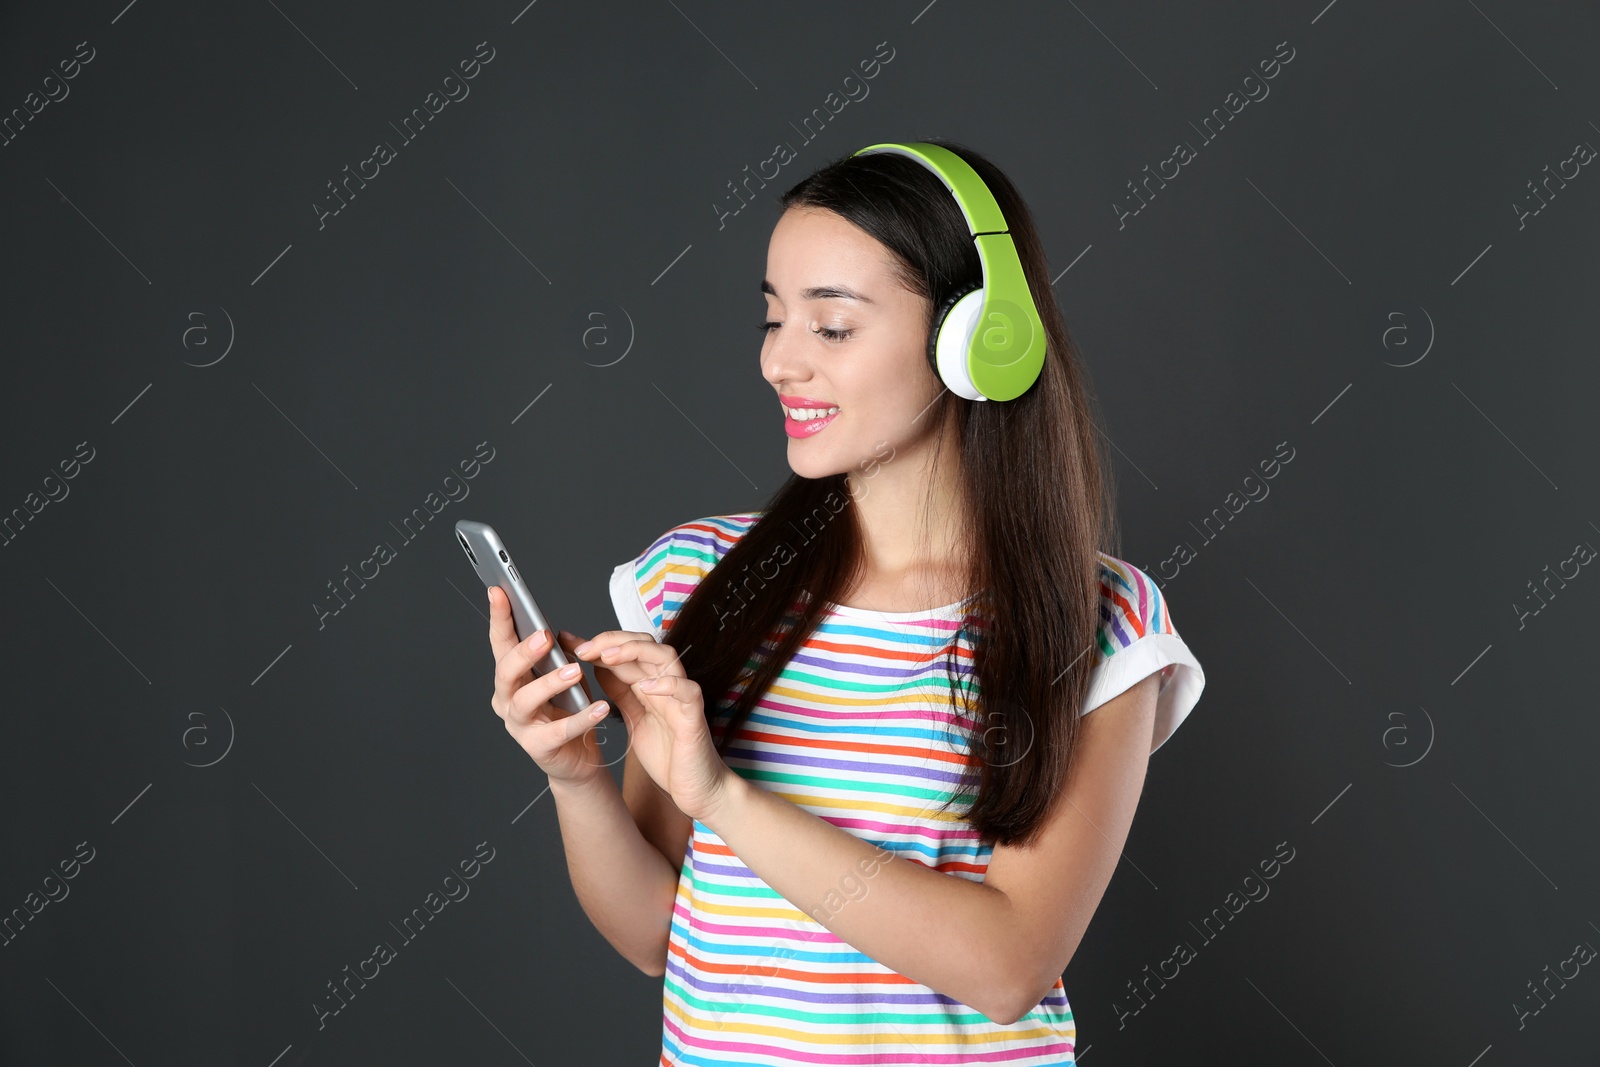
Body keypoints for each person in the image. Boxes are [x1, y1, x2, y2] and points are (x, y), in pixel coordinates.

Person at [486, 138, 1206, 1066]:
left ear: (978, 338)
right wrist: (577, 780)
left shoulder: (1097, 618)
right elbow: (663, 940)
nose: (780, 363)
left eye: (830, 328)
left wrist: (723, 796)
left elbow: (1005, 966)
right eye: (771, 322)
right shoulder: (692, 581)